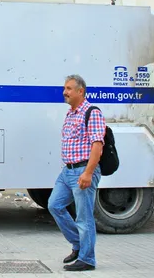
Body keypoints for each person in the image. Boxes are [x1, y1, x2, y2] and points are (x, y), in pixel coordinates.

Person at [48, 74, 105, 272]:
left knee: (84, 217)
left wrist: (88, 173)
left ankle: (87, 259)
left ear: (81, 91)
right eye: (65, 88)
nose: (65, 92)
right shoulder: (71, 113)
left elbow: (97, 145)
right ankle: (79, 244)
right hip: (68, 171)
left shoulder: (92, 112)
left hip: (83, 170)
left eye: (69, 88)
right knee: (54, 205)